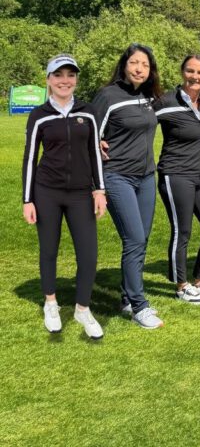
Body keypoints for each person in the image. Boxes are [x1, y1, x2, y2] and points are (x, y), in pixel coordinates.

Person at [22, 54, 107, 339]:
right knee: (49, 250)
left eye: (70, 75)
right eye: (58, 75)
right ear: (48, 80)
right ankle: (51, 303)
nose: (65, 81)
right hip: (46, 192)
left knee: (89, 254)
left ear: (76, 80)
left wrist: (99, 189)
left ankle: (83, 308)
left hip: (81, 194)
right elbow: (30, 158)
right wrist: (27, 200)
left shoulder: (88, 112)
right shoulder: (39, 115)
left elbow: (94, 152)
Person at [92, 44, 164, 329]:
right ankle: (138, 305)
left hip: (146, 178)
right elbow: (86, 131)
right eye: (134, 63)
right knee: (134, 238)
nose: (139, 69)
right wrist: (94, 143)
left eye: (145, 65)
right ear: (124, 65)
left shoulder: (148, 96)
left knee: (141, 239)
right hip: (117, 176)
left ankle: (126, 296)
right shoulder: (108, 96)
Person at [155, 55, 200, 303]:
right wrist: (105, 139)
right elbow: (138, 121)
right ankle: (181, 285)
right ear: (182, 72)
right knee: (182, 231)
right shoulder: (166, 102)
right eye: (190, 71)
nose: (195, 76)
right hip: (175, 174)